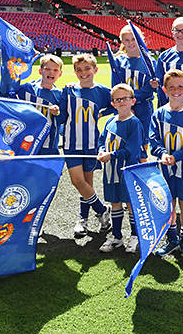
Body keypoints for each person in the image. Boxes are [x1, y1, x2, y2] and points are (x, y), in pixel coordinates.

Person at [58, 54, 115, 238]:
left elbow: (115, 104)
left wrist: (102, 113)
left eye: (87, 69)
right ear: (74, 72)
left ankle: (82, 220)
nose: (84, 73)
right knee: (77, 181)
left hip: (91, 143)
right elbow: (61, 116)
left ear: (95, 70)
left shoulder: (102, 91)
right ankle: (101, 210)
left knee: (87, 183)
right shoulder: (68, 90)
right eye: (79, 70)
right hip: (71, 142)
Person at [150, 69, 183, 256]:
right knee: (168, 203)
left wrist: (177, 156)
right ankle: (171, 238)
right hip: (165, 168)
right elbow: (153, 139)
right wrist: (163, 154)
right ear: (164, 90)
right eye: (171, 87)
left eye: (180, 86)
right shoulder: (158, 114)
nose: (176, 90)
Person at [97, 84, 143, 254]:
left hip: (127, 171)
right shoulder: (110, 121)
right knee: (115, 203)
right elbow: (102, 140)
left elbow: (131, 150)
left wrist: (111, 155)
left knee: (130, 204)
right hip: (111, 172)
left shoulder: (134, 123)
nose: (122, 102)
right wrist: (102, 150)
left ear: (133, 101)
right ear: (113, 103)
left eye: (126, 98)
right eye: (118, 99)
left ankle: (135, 236)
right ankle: (116, 236)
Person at [114, 25, 155, 160]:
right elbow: (115, 86)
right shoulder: (119, 61)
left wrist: (130, 100)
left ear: (140, 39)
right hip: (123, 108)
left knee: (142, 146)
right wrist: (126, 104)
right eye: (127, 40)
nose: (131, 43)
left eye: (134, 39)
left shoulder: (149, 61)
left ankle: (140, 171)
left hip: (144, 108)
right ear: (122, 42)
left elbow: (149, 87)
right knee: (123, 142)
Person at [9, 55, 64, 155]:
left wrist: (57, 113)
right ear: (40, 71)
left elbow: (63, 118)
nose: (51, 72)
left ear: (60, 74)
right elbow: (8, 98)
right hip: (27, 143)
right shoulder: (27, 89)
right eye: (47, 69)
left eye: (55, 70)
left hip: (49, 145)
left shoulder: (60, 95)